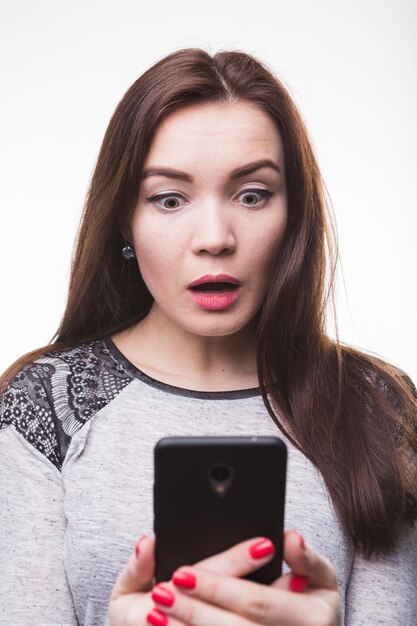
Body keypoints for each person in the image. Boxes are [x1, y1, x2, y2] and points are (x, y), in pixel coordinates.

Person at [0, 47, 416, 626]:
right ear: (126, 218)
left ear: (293, 212)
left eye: (252, 195)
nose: (216, 238)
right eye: (169, 199)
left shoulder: (373, 404)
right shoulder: (45, 404)